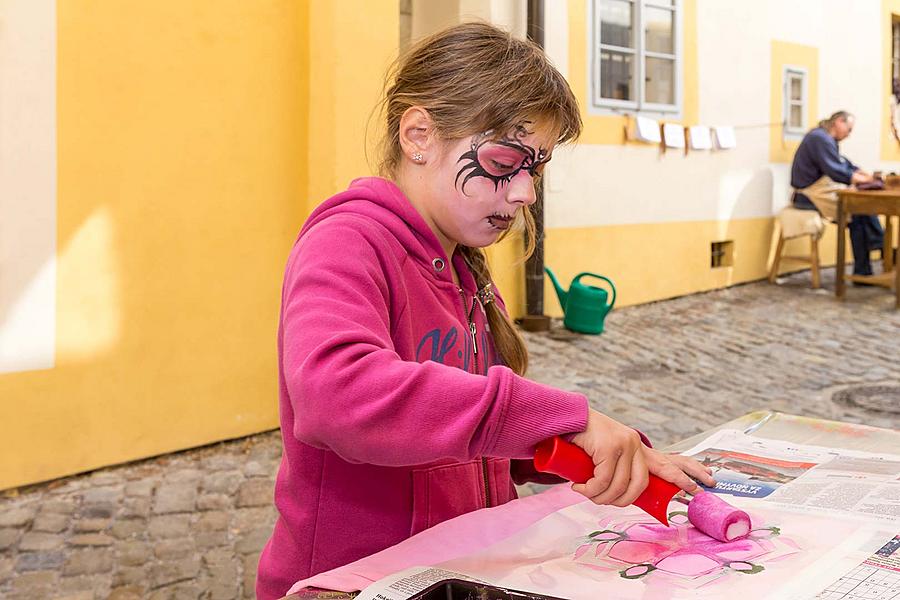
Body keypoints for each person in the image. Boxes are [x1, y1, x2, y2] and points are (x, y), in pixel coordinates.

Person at [256, 22, 715, 599]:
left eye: (537, 168)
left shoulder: (466, 267)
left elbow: (480, 437)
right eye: (505, 161)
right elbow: (336, 395)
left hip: (456, 572)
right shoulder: (347, 241)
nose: (524, 193)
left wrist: (601, 455)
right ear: (419, 134)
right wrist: (561, 416)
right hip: (353, 583)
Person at [790, 111, 884, 277]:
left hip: (815, 193)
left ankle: (866, 266)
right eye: (849, 129)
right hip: (807, 196)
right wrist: (860, 179)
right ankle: (879, 247)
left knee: (860, 213)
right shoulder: (820, 138)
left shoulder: (825, 139)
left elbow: (842, 163)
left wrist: (859, 172)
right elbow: (835, 170)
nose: (849, 134)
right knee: (858, 211)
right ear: (839, 122)